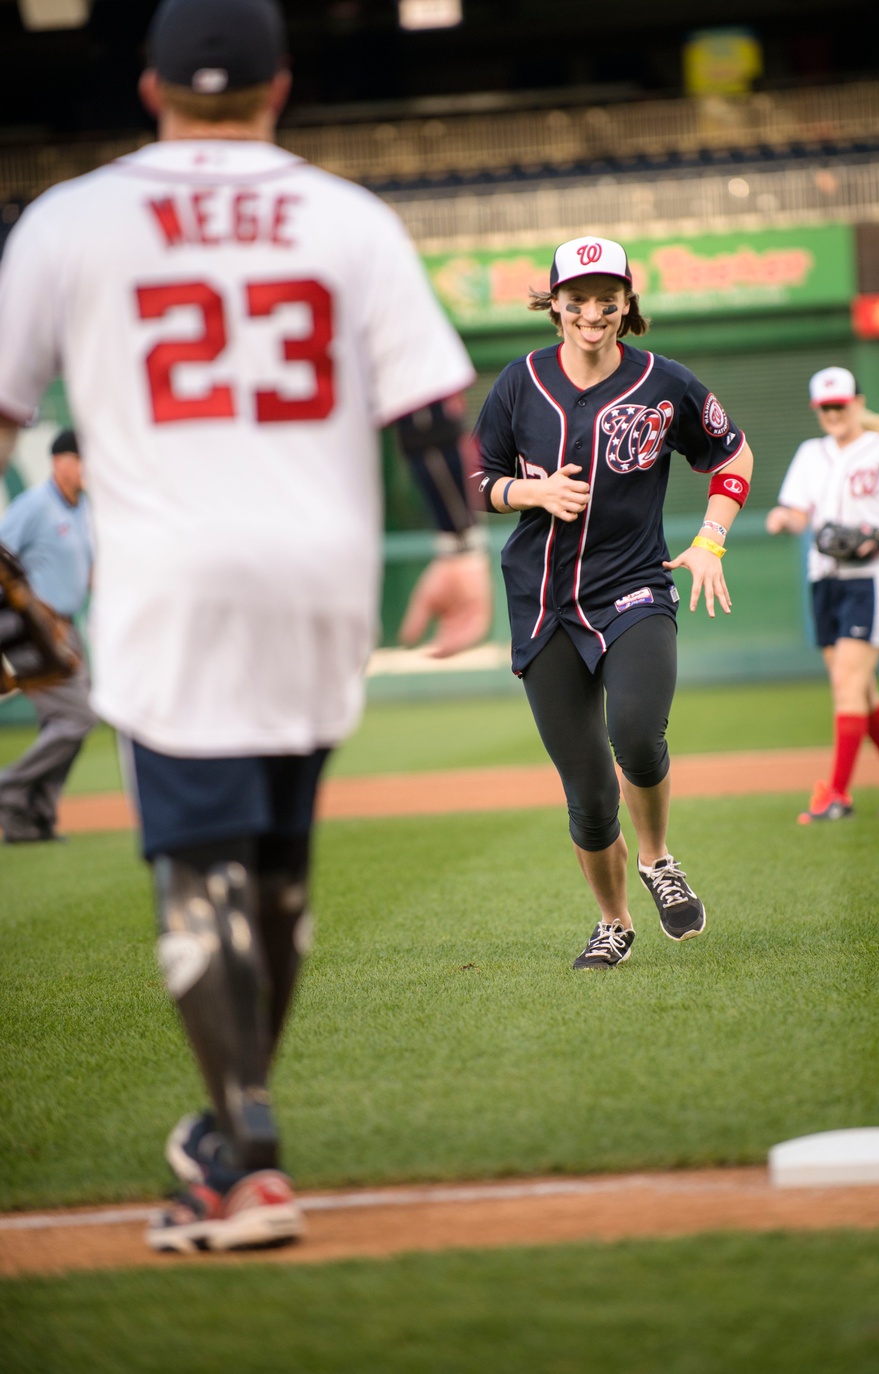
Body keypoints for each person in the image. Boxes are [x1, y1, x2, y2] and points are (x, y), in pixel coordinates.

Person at [0, 0, 491, 1253]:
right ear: (280, 91)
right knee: (275, 866)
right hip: (320, 578)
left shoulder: (68, 218)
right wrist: (455, 549)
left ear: (152, 93)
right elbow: (432, 410)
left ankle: (252, 1166)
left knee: (198, 875)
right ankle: (229, 1141)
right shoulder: (346, 217)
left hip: (166, 578)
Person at [471, 236, 754, 970]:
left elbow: (732, 455)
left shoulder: (666, 382)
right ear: (554, 303)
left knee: (635, 733)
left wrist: (711, 541)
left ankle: (658, 861)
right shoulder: (518, 383)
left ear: (628, 302)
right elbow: (478, 482)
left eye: (607, 298)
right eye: (578, 299)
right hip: (542, 604)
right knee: (590, 797)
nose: (592, 312)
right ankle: (614, 922)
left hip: (635, 587)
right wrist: (532, 491)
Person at [766, 366, 879, 823]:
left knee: (847, 685)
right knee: (859, 690)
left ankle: (837, 795)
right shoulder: (810, 453)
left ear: (858, 402)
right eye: (824, 407)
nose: (832, 413)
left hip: (871, 579)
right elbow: (800, 515)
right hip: (825, 579)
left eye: (839, 404)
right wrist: (783, 518)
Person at [0, 429, 97, 842]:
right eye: (83, 458)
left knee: (63, 721)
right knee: (79, 716)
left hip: (65, 628)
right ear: (60, 462)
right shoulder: (36, 506)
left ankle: (30, 816)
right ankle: (8, 788)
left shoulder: (81, 509)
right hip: (32, 629)